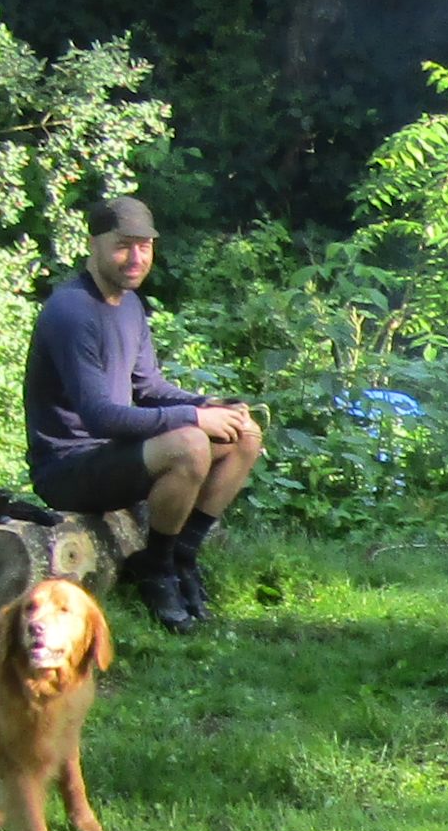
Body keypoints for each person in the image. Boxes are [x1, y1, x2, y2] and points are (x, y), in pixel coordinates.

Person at [25, 194, 270, 632]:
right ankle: (155, 569)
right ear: (93, 244)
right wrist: (195, 421)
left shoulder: (130, 304)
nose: (135, 257)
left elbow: (149, 388)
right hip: (68, 469)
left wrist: (206, 406)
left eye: (145, 246)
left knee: (245, 434)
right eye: (123, 245)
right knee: (190, 444)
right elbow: (100, 416)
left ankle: (181, 556)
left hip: (113, 455)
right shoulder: (71, 312)